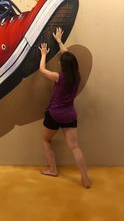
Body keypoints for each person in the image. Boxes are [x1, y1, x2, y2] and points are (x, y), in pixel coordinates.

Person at [39, 27, 91, 188]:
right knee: (75, 147)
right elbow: (67, 56)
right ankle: (85, 179)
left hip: (54, 114)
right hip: (69, 115)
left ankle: (53, 170)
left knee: (46, 140)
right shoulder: (76, 76)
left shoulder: (58, 77)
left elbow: (42, 70)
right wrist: (60, 41)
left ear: (63, 65)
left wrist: (43, 54)